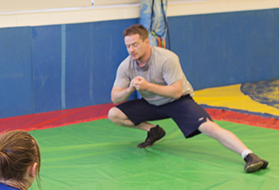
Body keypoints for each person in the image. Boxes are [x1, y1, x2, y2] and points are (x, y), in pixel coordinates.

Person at [108, 24, 268, 173]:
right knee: (114, 114)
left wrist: (147, 87)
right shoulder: (126, 65)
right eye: (128, 46)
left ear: (146, 42)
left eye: (135, 44)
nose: (131, 50)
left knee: (209, 127)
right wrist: (130, 88)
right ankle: (153, 131)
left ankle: (249, 155)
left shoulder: (166, 59)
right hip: (151, 103)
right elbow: (115, 97)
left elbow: (176, 92)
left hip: (177, 102)